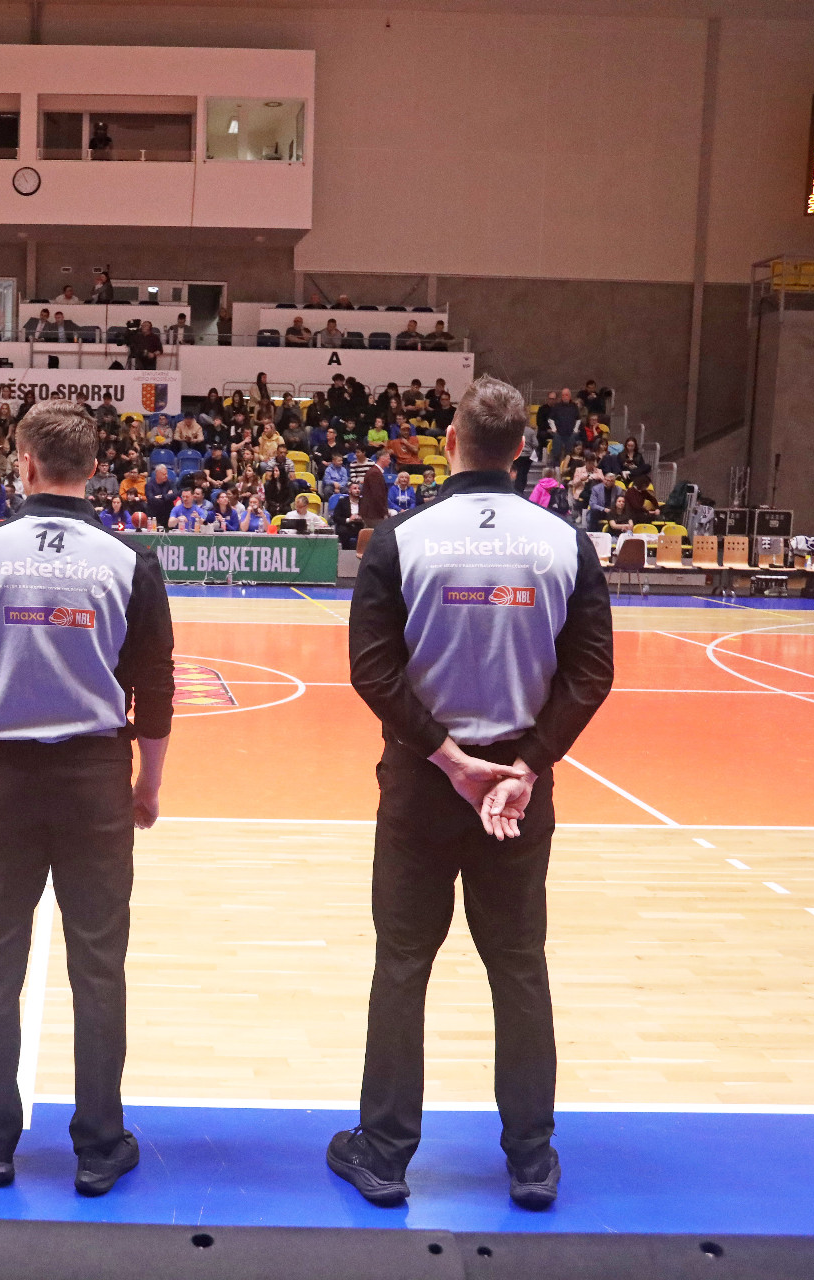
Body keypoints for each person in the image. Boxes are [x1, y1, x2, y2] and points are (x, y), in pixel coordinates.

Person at [335, 374, 614, 1212]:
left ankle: (385, 1155)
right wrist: (526, 765)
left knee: (402, 965)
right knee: (519, 966)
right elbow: (591, 674)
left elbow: (372, 671)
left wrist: (450, 760)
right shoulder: (565, 543)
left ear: (450, 442)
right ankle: (531, 1159)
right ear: (523, 450)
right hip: (518, 796)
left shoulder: (401, 538)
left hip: (424, 783)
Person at [0, 400, 174, 1197]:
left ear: (23, 464)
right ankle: (99, 1144)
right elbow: (156, 690)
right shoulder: (129, 561)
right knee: (99, 966)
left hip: (3, 779)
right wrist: (147, 784)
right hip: (96, 782)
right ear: (95, 469)